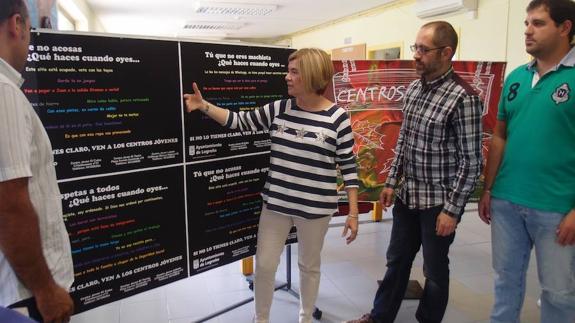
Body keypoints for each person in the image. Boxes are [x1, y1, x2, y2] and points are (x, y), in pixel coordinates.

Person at [183, 48, 359, 323]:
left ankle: (305, 317)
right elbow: (239, 121)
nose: (286, 76)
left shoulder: (338, 118)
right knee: (264, 266)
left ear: (312, 76)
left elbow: (348, 165)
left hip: (316, 209)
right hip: (276, 204)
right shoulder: (279, 108)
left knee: (309, 267)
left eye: (294, 72)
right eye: (288, 70)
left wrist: (353, 212)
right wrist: (204, 105)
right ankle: (261, 318)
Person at [346, 21, 483, 323]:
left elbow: (471, 161)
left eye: (423, 49)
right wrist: (391, 181)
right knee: (396, 261)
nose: (416, 55)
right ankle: (380, 317)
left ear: (446, 53)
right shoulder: (413, 89)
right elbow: (405, 140)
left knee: (434, 271)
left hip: (438, 203)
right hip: (408, 197)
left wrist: (452, 210)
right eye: (415, 47)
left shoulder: (463, 98)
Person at [478, 0, 575, 322]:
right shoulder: (517, 77)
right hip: (506, 202)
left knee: (558, 293)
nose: (527, 30)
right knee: (505, 282)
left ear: (565, 27)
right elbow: (500, 136)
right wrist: (489, 189)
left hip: (556, 208)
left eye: (538, 23)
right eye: (526, 23)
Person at [0, 0, 74, 322]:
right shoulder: (3, 93)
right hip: (26, 296)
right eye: (29, 31)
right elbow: (9, 205)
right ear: (16, 25)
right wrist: (46, 290)